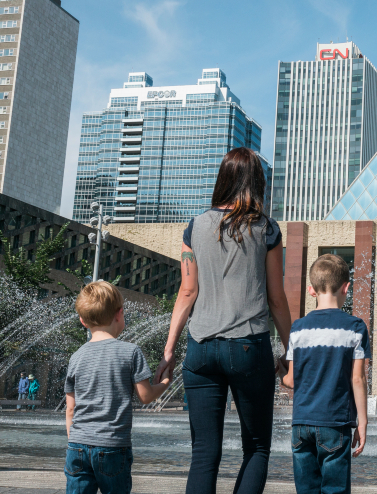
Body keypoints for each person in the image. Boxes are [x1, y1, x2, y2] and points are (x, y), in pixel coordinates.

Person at [154, 147, 292, 494]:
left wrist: (169, 350)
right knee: (256, 447)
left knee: (203, 453)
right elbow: (276, 298)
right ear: (256, 182)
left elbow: (187, 293)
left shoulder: (195, 226)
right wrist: (291, 350)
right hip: (249, 347)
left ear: (223, 179)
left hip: (200, 349)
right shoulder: (266, 230)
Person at [64, 281, 171, 494]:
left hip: (77, 445)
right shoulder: (130, 352)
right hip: (112, 446)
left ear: (82, 321)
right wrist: (165, 383)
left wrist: (76, 442)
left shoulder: (76, 357)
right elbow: (146, 396)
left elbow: (70, 410)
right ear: (119, 313)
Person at [282, 254, 371, 494]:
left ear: (311, 290)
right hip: (334, 423)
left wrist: (279, 372)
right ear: (346, 288)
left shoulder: (298, 328)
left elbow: (290, 380)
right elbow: (358, 379)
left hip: (301, 425)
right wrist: (362, 422)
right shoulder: (355, 327)